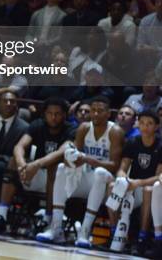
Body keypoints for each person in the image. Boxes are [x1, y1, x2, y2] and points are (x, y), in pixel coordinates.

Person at [36, 96, 124, 248]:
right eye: (93, 110)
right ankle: (56, 228)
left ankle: (85, 232)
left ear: (108, 114)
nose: (95, 114)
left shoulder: (115, 131)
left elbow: (115, 166)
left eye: (100, 111)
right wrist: (71, 158)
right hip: (86, 181)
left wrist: (88, 159)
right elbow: (75, 156)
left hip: (106, 186)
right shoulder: (83, 128)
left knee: (100, 172)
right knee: (62, 168)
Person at [0, 98, 76, 233]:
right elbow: (19, 146)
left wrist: (36, 165)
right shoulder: (37, 125)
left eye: (57, 114)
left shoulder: (71, 129)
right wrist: (22, 165)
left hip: (59, 180)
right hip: (34, 174)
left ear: (64, 115)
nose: (53, 117)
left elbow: (62, 152)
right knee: (12, 162)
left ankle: (48, 219)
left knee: (54, 166)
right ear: (45, 114)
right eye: (50, 113)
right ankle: (1, 216)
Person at [107, 110, 162, 256]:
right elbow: (122, 169)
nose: (145, 127)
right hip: (132, 187)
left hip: (149, 188)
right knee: (113, 185)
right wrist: (122, 179)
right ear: (138, 124)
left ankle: (142, 239)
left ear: (157, 126)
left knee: (148, 190)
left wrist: (138, 183)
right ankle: (114, 232)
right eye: (142, 123)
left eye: (150, 124)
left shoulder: (160, 145)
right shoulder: (133, 142)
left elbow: (159, 177)